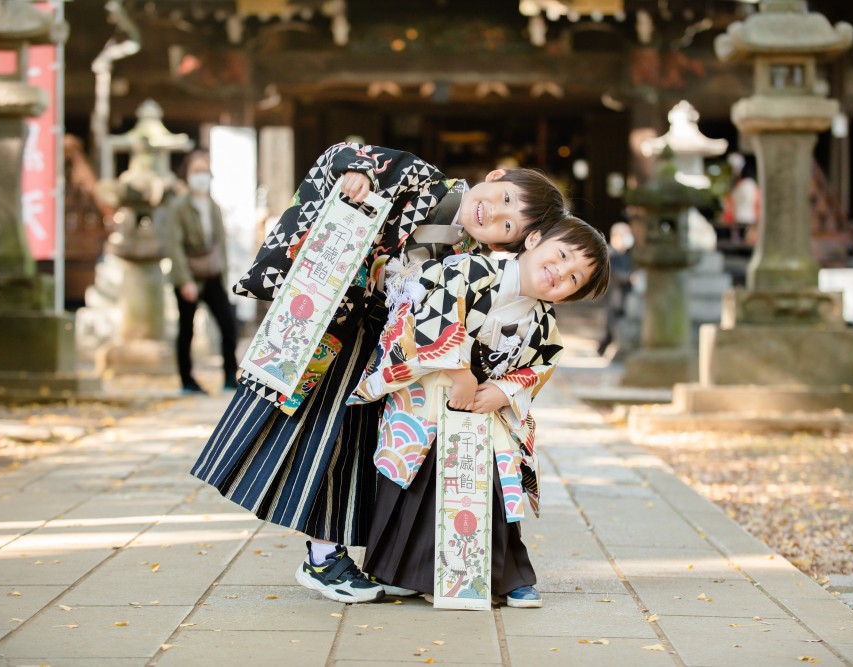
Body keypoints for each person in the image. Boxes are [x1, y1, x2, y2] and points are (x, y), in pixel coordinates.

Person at [190, 142, 569, 603]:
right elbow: (350, 151)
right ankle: (323, 556)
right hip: (335, 325)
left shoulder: (477, 258)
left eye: (508, 224)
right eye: (504, 198)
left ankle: (354, 557)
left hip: (388, 360)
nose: (493, 214)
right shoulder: (424, 179)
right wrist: (359, 174)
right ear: (495, 176)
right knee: (317, 441)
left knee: (354, 452)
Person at [348, 217, 610, 608]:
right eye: (562, 255)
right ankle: (397, 571)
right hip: (430, 391)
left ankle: (506, 577)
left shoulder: (543, 324)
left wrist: (504, 391)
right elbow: (427, 307)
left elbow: (542, 366)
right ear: (534, 239)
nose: (560, 273)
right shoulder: (468, 269)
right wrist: (459, 373)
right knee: (417, 476)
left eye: (574, 279)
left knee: (491, 482)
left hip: (486, 408)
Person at [164, 150, 239, 394]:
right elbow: (173, 245)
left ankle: (230, 375)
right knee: (186, 329)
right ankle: (186, 380)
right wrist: (185, 281)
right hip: (188, 275)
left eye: (204, 171)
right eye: (196, 171)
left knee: (228, 324)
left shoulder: (214, 206)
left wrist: (224, 276)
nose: (201, 177)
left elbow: (221, 244)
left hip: (212, 274)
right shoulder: (178, 207)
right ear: (187, 174)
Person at [597, 221, 635, 357]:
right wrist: (629, 277)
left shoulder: (625, 255)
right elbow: (615, 273)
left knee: (615, 324)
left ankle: (606, 349)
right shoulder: (609, 253)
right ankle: (604, 349)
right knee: (611, 324)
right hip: (612, 295)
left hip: (623, 295)